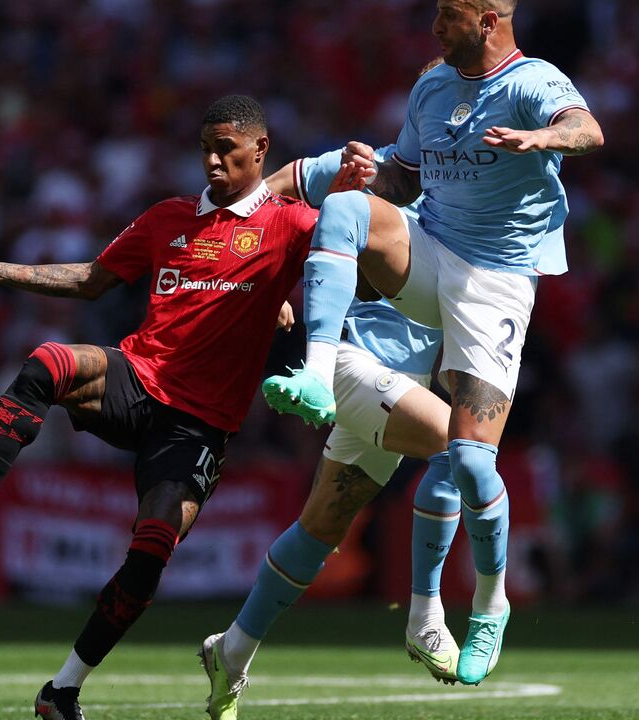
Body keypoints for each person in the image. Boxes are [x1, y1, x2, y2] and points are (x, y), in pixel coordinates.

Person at [0, 95, 320, 720]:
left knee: (149, 554)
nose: (212, 161)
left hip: (199, 427)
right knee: (48, 362)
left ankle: (62, 689)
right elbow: (92, 277)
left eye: (226, 150)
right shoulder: (167, 218)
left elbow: (357, 259)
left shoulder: (293, 225)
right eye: (205, 149)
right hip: (139, 380)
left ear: (261, 150)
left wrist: (287, 302)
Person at [266, 0, 603, 687]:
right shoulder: (431, 87)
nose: (434, 27)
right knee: (346, 209)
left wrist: (548, 140)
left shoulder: (532, 82)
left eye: (448, 17)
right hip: (434, 253)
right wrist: (367, 173)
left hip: (495, 282)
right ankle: (317, 369)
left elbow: (587, 128)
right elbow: (405, 180)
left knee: (475, 465)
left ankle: (489, 604)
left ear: (488, 20)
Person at [200, 143, 464, 720]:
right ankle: (425, 615)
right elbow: (264, 196)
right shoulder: (378, 163)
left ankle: (233, 651)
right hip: (350, 364)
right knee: (460, 446)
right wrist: (260, 281)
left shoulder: (471, 186)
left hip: (402, 382)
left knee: (322, 526)